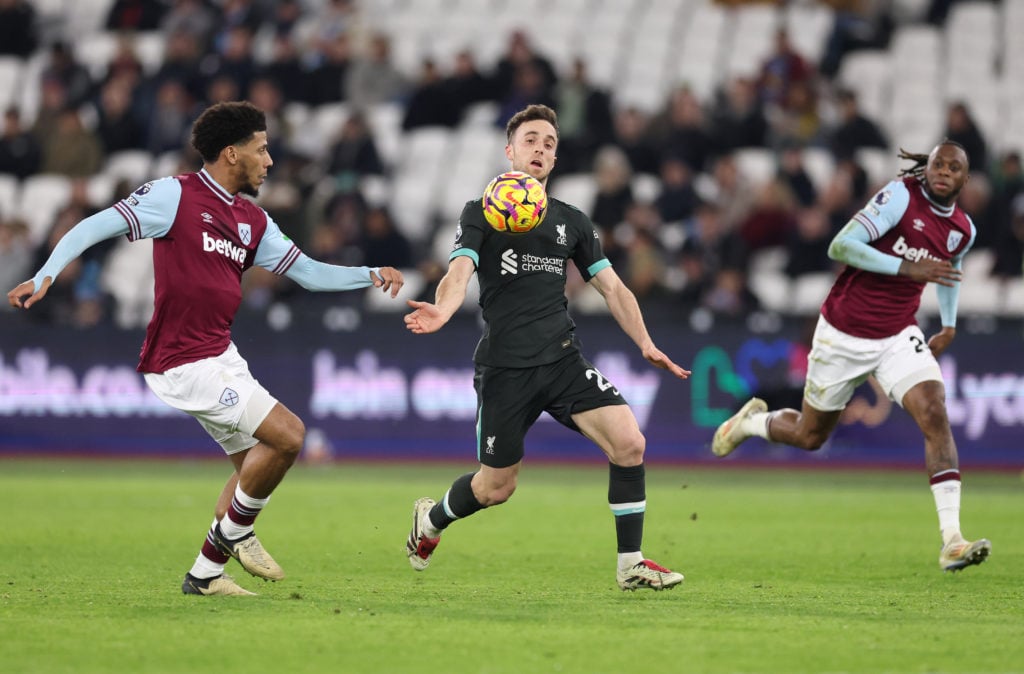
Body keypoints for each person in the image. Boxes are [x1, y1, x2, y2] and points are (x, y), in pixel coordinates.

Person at [7, 101, 405, 596]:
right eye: (262, 150)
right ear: (231, 154)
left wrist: (367, 274)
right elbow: (94, 225)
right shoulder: (174, 195)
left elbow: (307, 272)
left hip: (221, 355)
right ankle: (235, 533)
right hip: (181, 361)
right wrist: (46, 274)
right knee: (289, 435)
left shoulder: (253, 221)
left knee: (253, 472)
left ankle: (205, 575)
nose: (270, 160)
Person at [403, 104, 691, 591]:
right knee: (496, 487)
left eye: (550, 143)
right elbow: (459, 271)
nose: (540, 149)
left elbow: (613, 288)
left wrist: (645, 341)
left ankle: (631, 564)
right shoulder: (480, 213)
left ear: (554, 161)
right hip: (506, 368)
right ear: (510, 151)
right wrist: (445, 309)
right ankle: (431, 521)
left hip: (561, 358)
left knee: (629, 442)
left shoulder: (571, 221)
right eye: (531, 140)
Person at [711, 140, 992, 573]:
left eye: (954, 168)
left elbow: (948, 272)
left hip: (898, 333)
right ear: (928, 168)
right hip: (842, 332)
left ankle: (952, 539)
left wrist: (950, 324)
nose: (943, 172)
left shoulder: (963, 229)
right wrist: (906, 268)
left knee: (934, 412)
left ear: (965, 179)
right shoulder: (900, 196)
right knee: (810, 435)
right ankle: (750, 422)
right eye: (938, 164)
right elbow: (840, 246)